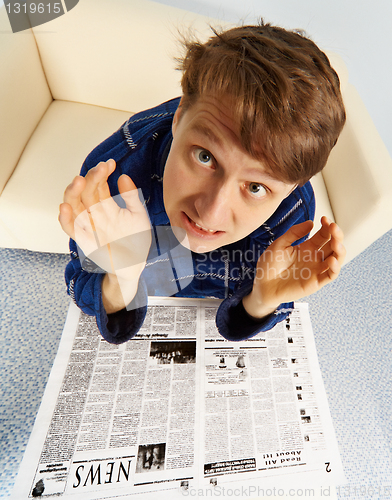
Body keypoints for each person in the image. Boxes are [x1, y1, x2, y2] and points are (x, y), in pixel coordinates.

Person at [59, 21, 346, 344]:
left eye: (255, 188)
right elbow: (81, 281)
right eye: (205, 157)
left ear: (292, 188)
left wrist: (262, 300)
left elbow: (269, 294)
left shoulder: (292, 211)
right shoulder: (116, 173)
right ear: (179, 116)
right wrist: (122, 275)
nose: (210, 214)